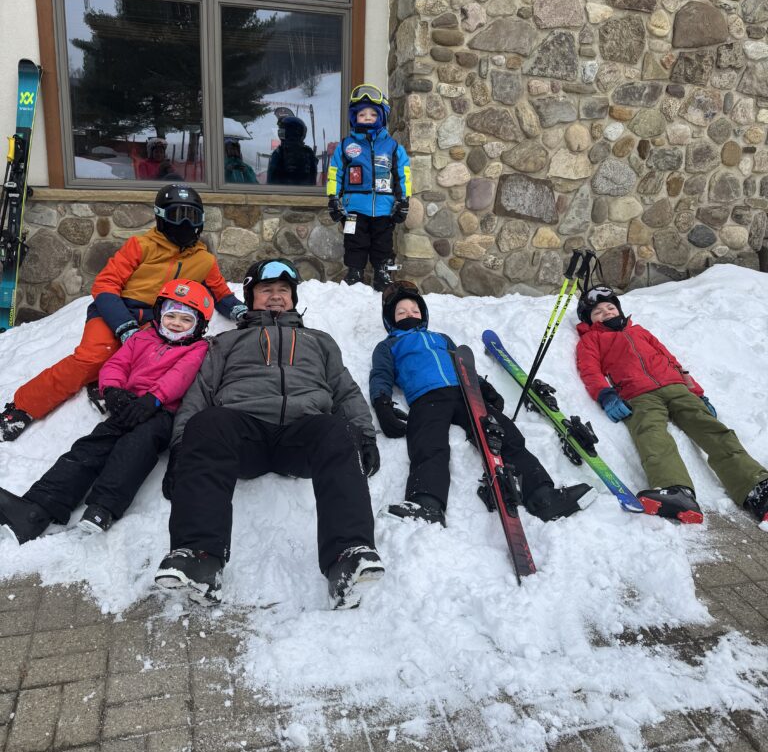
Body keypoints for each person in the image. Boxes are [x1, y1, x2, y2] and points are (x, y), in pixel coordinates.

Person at [154, 258, 384, 609]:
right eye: (266, 290)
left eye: (283, 291)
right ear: (250, 297)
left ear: (292, 297)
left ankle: (347, 557)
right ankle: (200, 558)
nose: (275, 297)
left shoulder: (320, 341)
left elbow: (345, 391)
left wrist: (365, 436)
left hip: (302, 435)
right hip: (242, 433)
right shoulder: (226, 341)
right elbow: (199, 393)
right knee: (207, 422)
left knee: (338, 428)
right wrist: (181, 449)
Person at [0, 184, 247, 442]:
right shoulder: (141, 246)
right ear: (161, 217)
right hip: (115, 309)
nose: (185, 223)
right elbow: (105, 284)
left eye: (192, 217)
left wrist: (240, 311)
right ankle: (22, 408)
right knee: (93, 357)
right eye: (176, 215)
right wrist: (123, 324)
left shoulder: (204, 260)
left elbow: (221, 293)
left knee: (154, 359)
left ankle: (107, 386)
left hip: (157, 320)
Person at [0, 280, 211, 543]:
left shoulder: (198, 348)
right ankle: (37, 508)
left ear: (199, 325)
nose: (176, 323)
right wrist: (112, 390)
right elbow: (116, 364)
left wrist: (154, 399)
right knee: (89, 448)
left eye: (185, 319)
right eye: (170, 316)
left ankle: (104, 507)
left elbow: (181, 376)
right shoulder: (142, 337)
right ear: (159, 315)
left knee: (135, 447)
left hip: (159, 413)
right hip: (127, 405)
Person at [369, 282, 594, 528]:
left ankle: (543, 496)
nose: (409, 314)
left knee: (506, 435)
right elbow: (381, 374)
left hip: (465, 393)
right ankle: (427, 504)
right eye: (401, 312)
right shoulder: (388, 345)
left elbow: (462, 364)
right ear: (390, 320)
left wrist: (482, 387)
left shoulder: (441, 338)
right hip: (426, 397)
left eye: (414, 310)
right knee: (428, 443)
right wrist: (381, 401)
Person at [575, 285, 768, 524]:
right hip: (638, 395)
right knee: (651, 434)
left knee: (713, 429)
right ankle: (676, 491)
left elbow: (671, 360)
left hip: (676, 387)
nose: (606, 313)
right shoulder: (591, 340)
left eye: (610, 307)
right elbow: (589, 370)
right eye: (598, 312)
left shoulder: (640, 331)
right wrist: (605, 394)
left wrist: (696, 392)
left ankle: (756, 486)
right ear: (589, 320)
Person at [326, 84, 411, 292]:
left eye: (373, 114)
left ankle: (382, 271)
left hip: (384, 208)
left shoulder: (392, 147)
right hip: (354, 207)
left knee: (383, 243)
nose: (367, 117)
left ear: (382, 117)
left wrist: (403, 201)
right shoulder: (346, 146)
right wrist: (333, 198)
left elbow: (403, 175)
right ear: (354, 117)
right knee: (354, 242)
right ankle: (355, 271)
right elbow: (334, 173)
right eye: (362, 114)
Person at [267, 117, 317, 186]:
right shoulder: (308, 153)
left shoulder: (279, 153)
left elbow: (270, 182)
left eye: (282, 131)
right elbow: (313, 182)